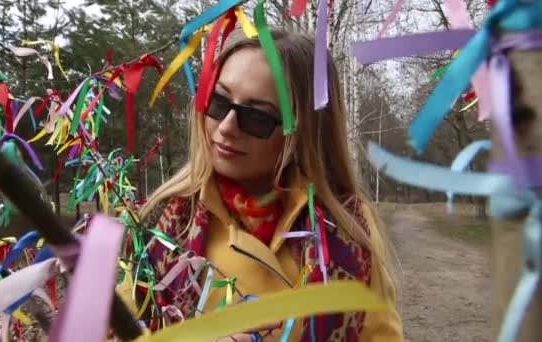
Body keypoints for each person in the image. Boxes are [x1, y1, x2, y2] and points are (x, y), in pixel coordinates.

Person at [130, 28, 403, 341]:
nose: (227, 127)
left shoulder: (350, 228)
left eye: (256, 117)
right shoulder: (161, 223)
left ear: (303, 132)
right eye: (219, 101)